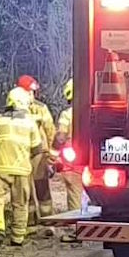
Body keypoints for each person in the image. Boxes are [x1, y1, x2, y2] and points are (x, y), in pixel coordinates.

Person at [0, 88, 43, 248]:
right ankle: (17, 238)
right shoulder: (30, 122)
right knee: (20, 204)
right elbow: (37, 149)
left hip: (1, 167)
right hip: (22, 170)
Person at [17, 74, 57, 222]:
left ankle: (46, 219)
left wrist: (50, 153)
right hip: (25, 154)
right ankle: (31, 220)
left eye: (33, 91)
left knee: (41, 187)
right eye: (29, 91)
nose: (31, 94)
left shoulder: (40, 108)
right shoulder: (18, 108)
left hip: (37, 154)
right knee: (26, 188)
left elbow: (50, 130)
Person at [54, 80, 84, 212]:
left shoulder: (66, 115)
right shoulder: (94, 111)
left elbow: (60, 137)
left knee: (74, 191)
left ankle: (76, 221)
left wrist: (54, 154)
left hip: (73, 162)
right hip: (91, 161)